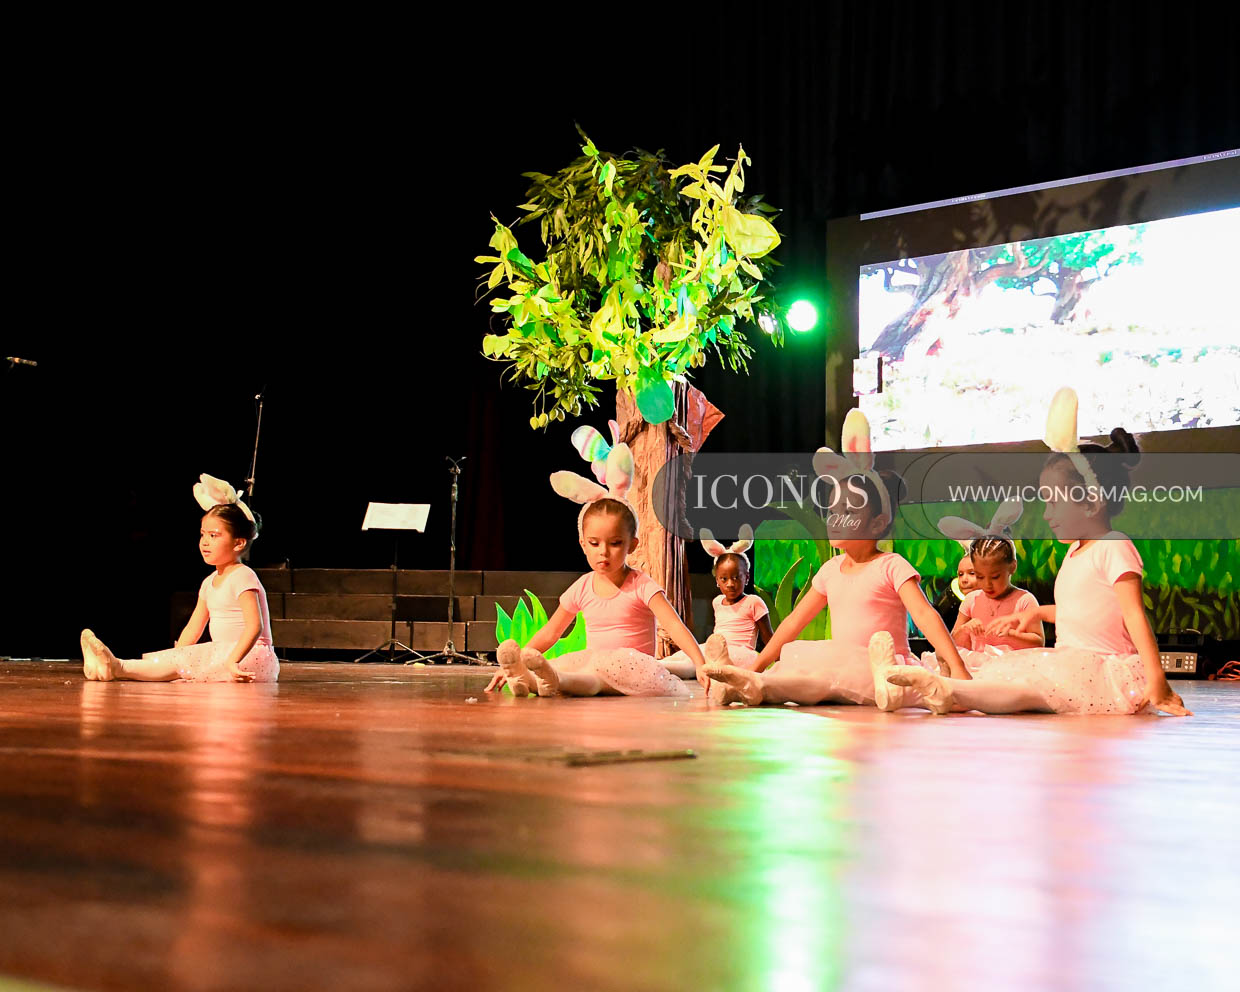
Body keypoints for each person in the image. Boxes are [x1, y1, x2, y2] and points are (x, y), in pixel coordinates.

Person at [879, 388, 1191, 717]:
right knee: (1013, 678)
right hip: (1072, 662)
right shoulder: (1075, 553)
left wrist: (1157, 679)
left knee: (1027, 691)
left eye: (1054, 502)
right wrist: (1035, 614)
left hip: (1103, 670)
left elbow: (1133, 615)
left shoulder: (1113, 545)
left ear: (1091, 502)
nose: (1046, 513)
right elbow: (1083, 613)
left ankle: (949, 690)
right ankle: (935, 690)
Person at [702, 409, 968, 707]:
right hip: (842, 667)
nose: (836, 519)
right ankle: (746, 683)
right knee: (807, 674)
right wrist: (756, 665)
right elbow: (793, 623)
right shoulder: (831, 570)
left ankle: (756, 685)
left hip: (883, 664)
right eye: (832, 511)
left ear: (878, 523)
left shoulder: (891, 565)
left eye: (849, 511)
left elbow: (925, 615)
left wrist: (957, 666)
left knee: (832, 681)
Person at [484, 436, 705, 698]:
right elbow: (551, 631)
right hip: (593, 663)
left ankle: (552, 679)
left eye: (615, 543)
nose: (603, 551)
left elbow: (675, 626)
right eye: (594, 543)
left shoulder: (642, 585)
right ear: (583, 544)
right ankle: (529, 678)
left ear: (632, 545)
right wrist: (520, 657)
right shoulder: (583, 586)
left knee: (594, 679)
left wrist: (700, 664)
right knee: (585, 670)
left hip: (634, 672)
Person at [81, 474, 278, 683]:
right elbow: (194, 628)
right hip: (226, 653)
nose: (205, 542)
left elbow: (254, 626)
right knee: (175, 662)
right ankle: (109, 667)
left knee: (181, 666)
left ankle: (117, 667)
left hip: (251, 657)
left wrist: (233, 660)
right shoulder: (209, 582)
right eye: (202, 534)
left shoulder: (243, 575)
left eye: (213, 535)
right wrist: (178, 655)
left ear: (238, 543)